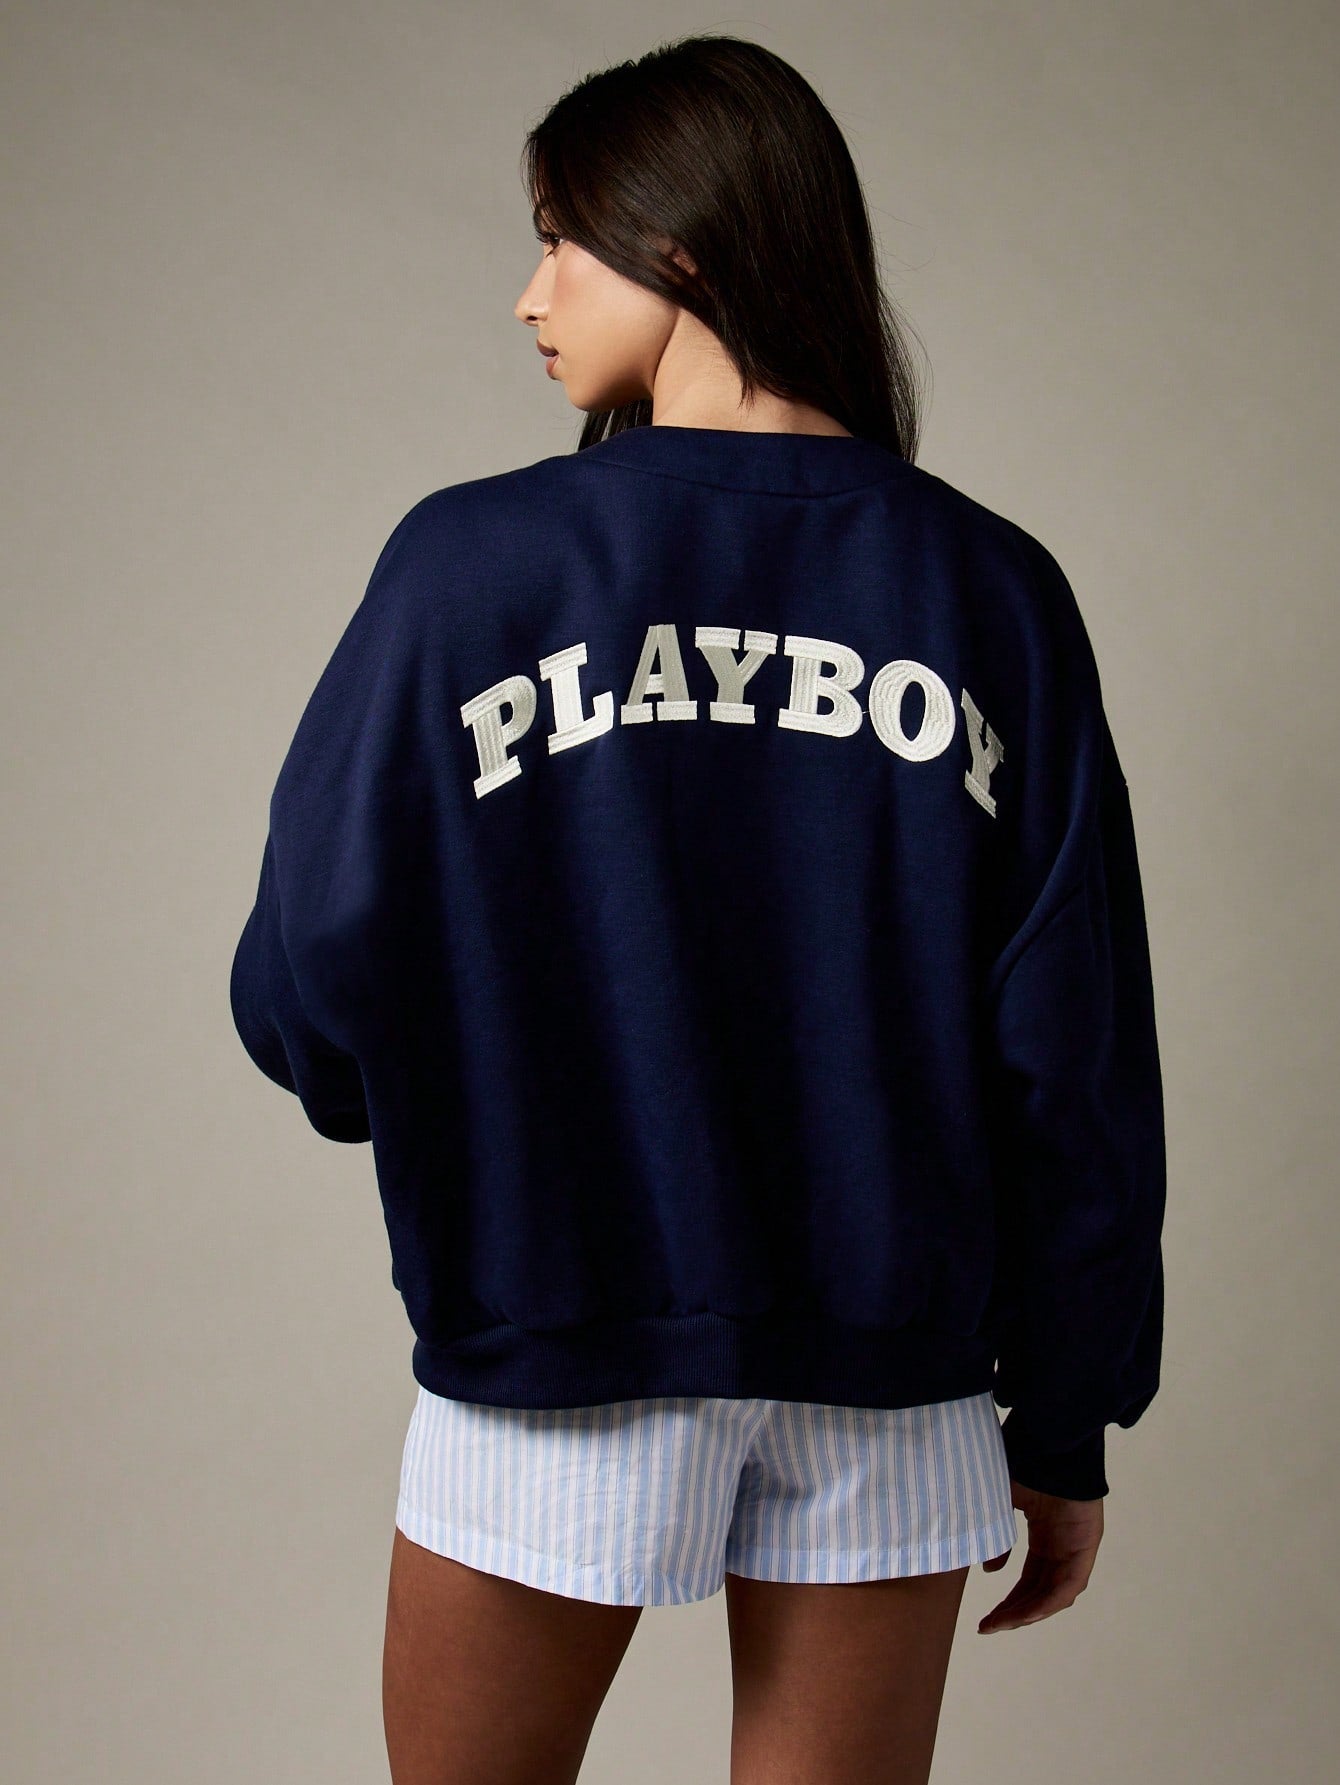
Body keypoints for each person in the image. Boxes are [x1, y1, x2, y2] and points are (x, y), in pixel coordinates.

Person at [229, 32, 1166, 1785]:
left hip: (554, 1334)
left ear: (680, 243)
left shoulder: (470, 567)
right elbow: (1074, 1053)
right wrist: (1067, 1417)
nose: (531, 295)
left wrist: (475, 1129)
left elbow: (305, 980)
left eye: (560, 239)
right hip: (890, 1370)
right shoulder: (992, 590)